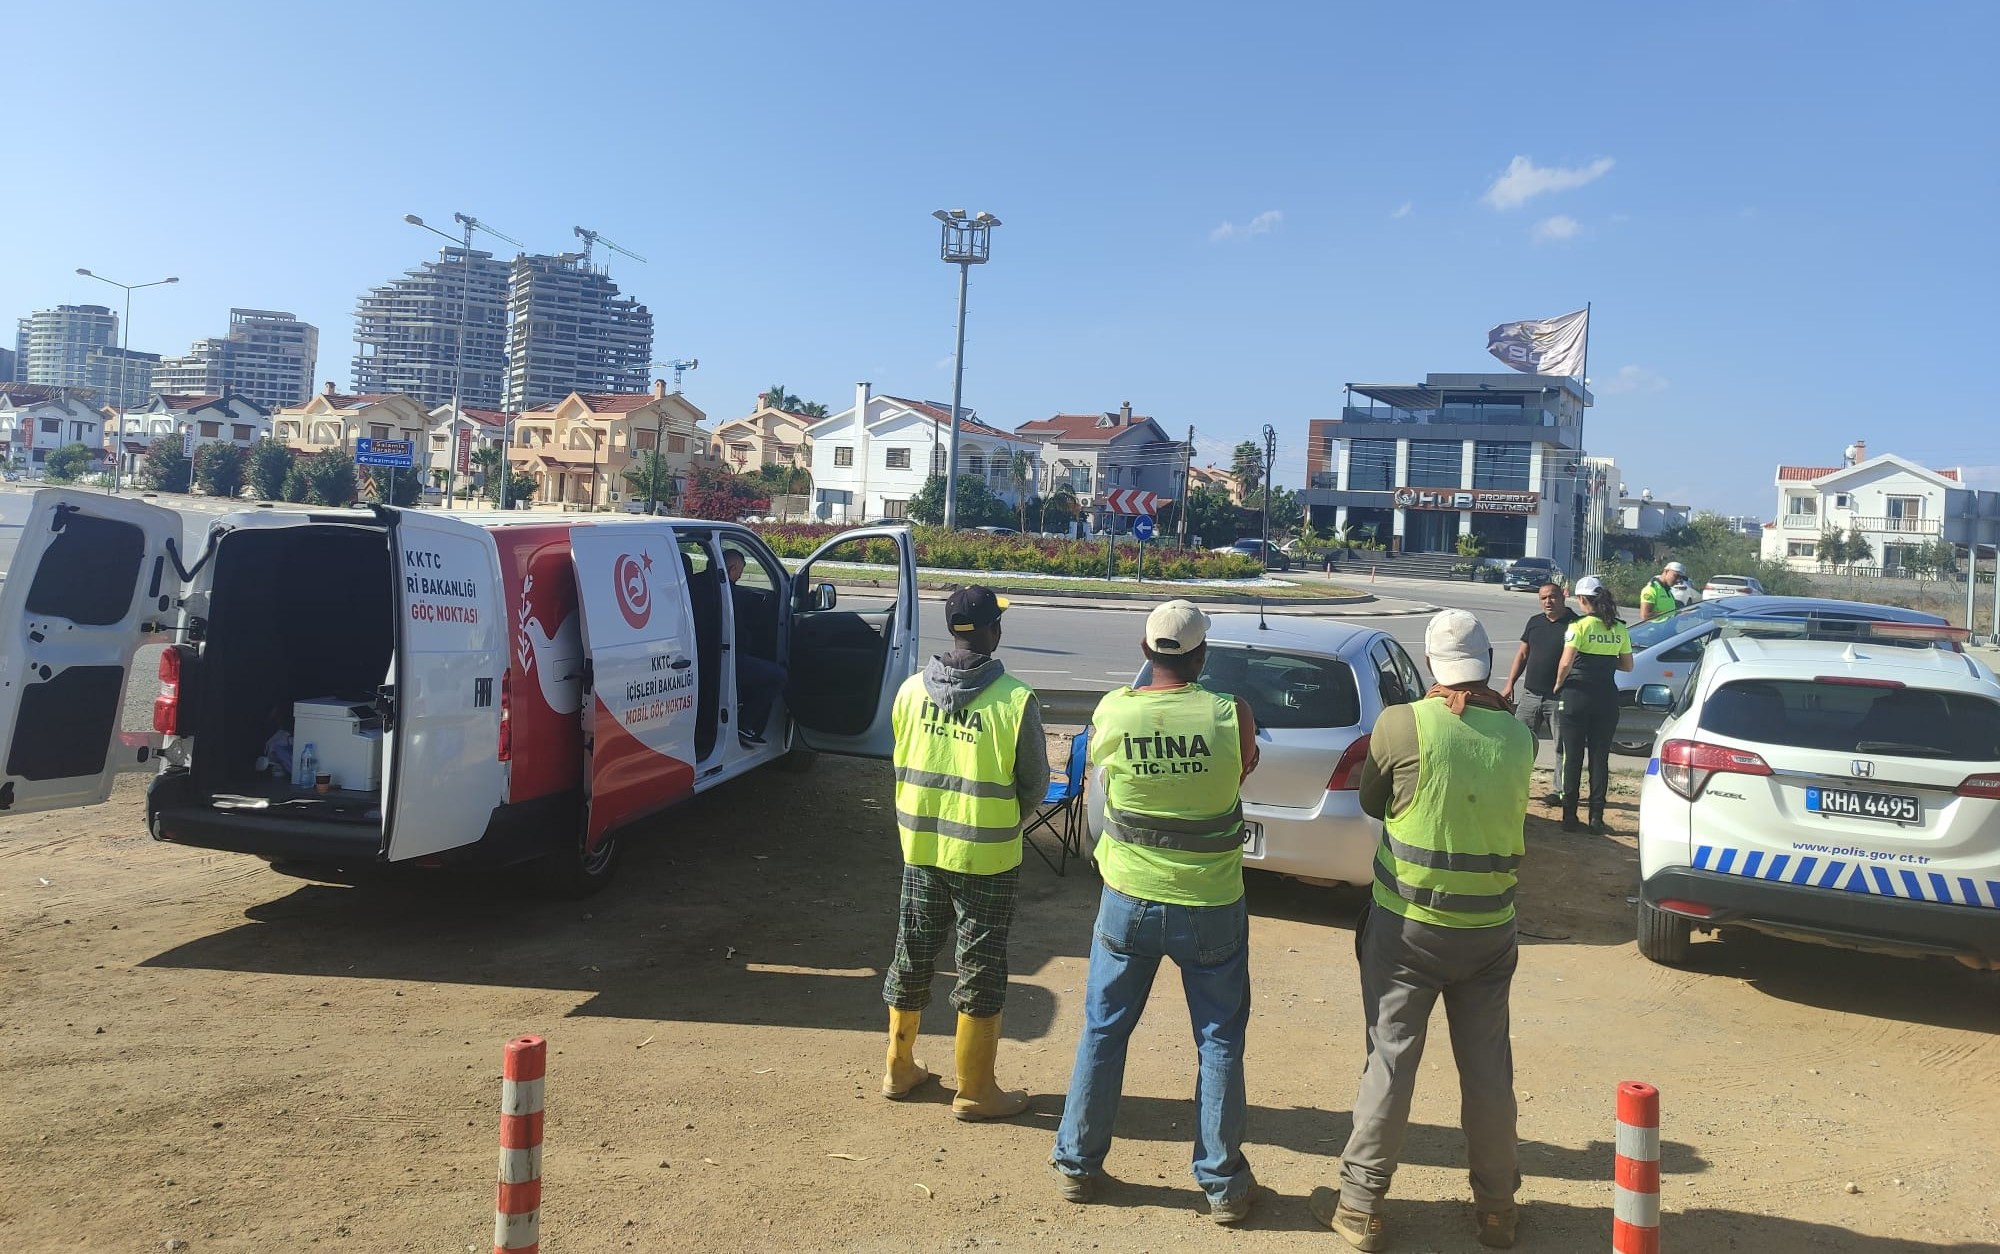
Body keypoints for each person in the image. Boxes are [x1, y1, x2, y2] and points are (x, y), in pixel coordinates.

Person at [1310, 609, 1536, 1252]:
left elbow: (1377, 802)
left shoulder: (1402, 723)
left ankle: (1359, 1205)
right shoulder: (1517, 738)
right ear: (1486, 664)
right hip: (1490, 932)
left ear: (1432, 666)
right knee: (1489, 1069)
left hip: (1408, 928)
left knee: (1391, 1056)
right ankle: (1497, 1210)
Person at [1051, 600, 1263, 1224]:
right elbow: (1242, 772)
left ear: (1146, 651)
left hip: (1129, 899)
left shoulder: (1116, 710)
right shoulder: (1232, 714)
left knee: (1103, 1029)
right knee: (1219, 1039)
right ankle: (1222, 1183)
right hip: (1211, 903)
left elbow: (1101, 776)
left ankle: (1077, 1165)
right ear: (1203, 655)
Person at [880, 586, 1049, 1121]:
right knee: (980, 966)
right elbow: (1035, 786)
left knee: (913, 951)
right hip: (989, 858)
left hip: (922, 848)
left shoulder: (909, 692)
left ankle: (898, 1067)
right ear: (993, 634)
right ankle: (975, 1088)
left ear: (953, 629)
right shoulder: (1015, 701)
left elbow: (903, 760)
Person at [1554, 575, 1634, 834]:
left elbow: (1566, 662)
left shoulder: (1579, 626)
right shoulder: (1619, 627)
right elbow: (1628, 665)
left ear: (1580, 599)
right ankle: (1596, 818)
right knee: (1600, 759)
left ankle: (1569, 816)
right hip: (1606, 697)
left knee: (1572, 757)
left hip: (1576, 695)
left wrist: (1558, 684)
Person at [1497, 582, 1577, 808]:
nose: (1547, 602)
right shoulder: (1535, 623)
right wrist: (1510, 683)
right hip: (1531, 694)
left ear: (1562, 596)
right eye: (1543, 598)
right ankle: (1513, 787)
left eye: (1552, 597)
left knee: (1563, 747)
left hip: (1560, 697)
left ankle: (1560, 792)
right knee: (1518, 742)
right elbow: (1522, 655)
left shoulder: (1576, 624)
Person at [722, 550, 788, 746]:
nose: (740, 577)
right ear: (732, 568)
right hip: (730, 659)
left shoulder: (695, 585)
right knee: (778, 676)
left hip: (706, 656)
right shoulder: (728, 592)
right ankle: (744, 724)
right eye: (740, 572)